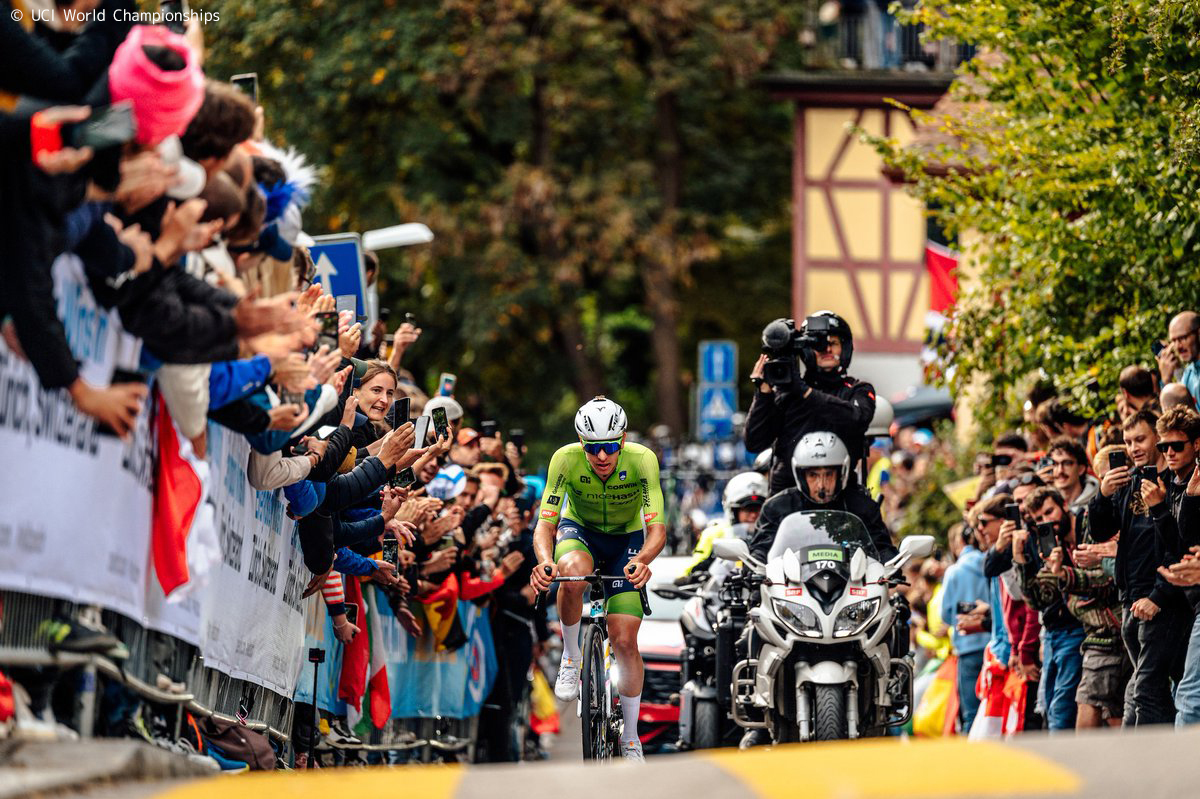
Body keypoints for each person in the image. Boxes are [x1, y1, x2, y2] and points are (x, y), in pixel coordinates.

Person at [529, 397, 666, 762]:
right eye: (592, 447)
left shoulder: (642, 460)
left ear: (622, 440)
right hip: (581, 531)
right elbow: (546, 522)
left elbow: (657, 528)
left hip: (627, 540)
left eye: (609, 446)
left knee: (624, 641)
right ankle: (573, 658)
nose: (602, 456)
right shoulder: (565, 459)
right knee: (570, 573)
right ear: (580, 442)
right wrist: (545, 563)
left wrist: (645, 560)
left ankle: (632, 738)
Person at [1088, 409, 1190, 725]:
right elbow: (1101, 531)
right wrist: (1103, 495)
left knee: (1146, 690)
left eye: (1140, 439)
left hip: (1164, 601)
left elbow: (1179, 548)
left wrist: (1159, 596)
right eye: (1128, 441)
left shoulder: (1176, 482)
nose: (1133, 448)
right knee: (1159, 685)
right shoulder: (1128, 482)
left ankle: (1151, 767)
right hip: (1130, 598)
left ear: (1158, 439)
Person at [744, 312, 876, 494]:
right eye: (818, 345)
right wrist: (763, 393)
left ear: (844, 348)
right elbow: (754, 442)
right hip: (788, 494)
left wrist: (805, 392)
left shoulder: (858, 389)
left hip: (843, 494)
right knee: (766, 521)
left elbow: (857, 419)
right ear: (806, 351)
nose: (826, 350)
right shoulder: (786, 393)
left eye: (833, 344)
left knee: (872, 519)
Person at [748, 432, 897, 564]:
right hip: (791, 588)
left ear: (841, 473)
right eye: (813, 475)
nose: (821, 485)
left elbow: (882, 548)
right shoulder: (777, 507)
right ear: (801, 475)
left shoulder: (863, 506)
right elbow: (761, 549)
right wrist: (755, 565)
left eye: (828, 474)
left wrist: (890, 563)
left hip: (852, 587)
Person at [683, 471, 767, 577]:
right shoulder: (714, 534)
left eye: (759, 509)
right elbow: (691, 570)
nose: (753, 515)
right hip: (725, 590)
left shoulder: (774, 534)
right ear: (734, 511)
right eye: (748, 509)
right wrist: (699, 574)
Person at [1156, 311, 1200, 404]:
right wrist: (1166, 379)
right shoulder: (1189, 373)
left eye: (1182, 338)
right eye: (1173, 340)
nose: (1178, 346)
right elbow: (1178, 411)